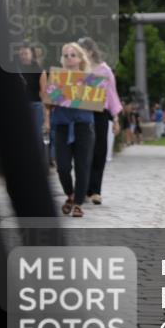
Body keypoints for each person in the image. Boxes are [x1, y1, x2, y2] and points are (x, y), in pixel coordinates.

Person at [41, 43, 97, 218]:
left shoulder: (90, 78)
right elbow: (48, 104)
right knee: (62, 167)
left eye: (73, 55)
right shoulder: (57, 77)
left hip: (83, 127)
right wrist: (52, 97)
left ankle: (78, 204)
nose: (69, 58)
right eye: (66, 55)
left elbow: (95, 102)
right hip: (62, 127)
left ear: (80, 58)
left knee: (82, 167)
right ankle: (71, 195)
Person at [78, 37, 124, 203]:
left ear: (90, 51)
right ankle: (82, 189)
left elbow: (112, 94)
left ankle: (95, 190)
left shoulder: (104, 70)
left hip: (100, 113)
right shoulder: (77, 68)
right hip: (81, 113)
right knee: (82, 151)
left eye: (81, 50)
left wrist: (115, 118)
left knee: (99, 151)